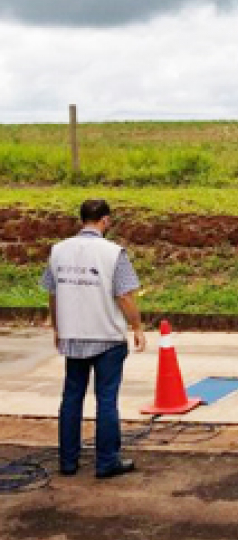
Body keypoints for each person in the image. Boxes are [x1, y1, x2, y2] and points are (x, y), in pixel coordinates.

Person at [41, 199, 146, 479]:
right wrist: (136, 326)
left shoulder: (58, 251)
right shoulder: (113, 253)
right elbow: (124, 295)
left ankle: (68, 461)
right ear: (105, 221)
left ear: (81, 219)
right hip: (107, 336)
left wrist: (57, 327)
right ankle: (106, 461)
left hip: (73, 335)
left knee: (72, 397)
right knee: (106, 399)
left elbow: (52, 294)